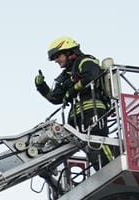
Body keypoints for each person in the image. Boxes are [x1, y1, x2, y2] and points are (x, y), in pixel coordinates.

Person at [33, 37, 115, 187]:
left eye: (58, 56)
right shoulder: (66, 75)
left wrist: (73, 90)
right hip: (75, 116)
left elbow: (92, 75)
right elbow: (56, 98)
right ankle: (50, 171)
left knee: (98, 141)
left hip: (92, 109)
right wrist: (42, 86)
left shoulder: (86, 61)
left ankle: (113, 171)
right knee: (84, 148)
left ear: (69, 51)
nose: (56, 60)